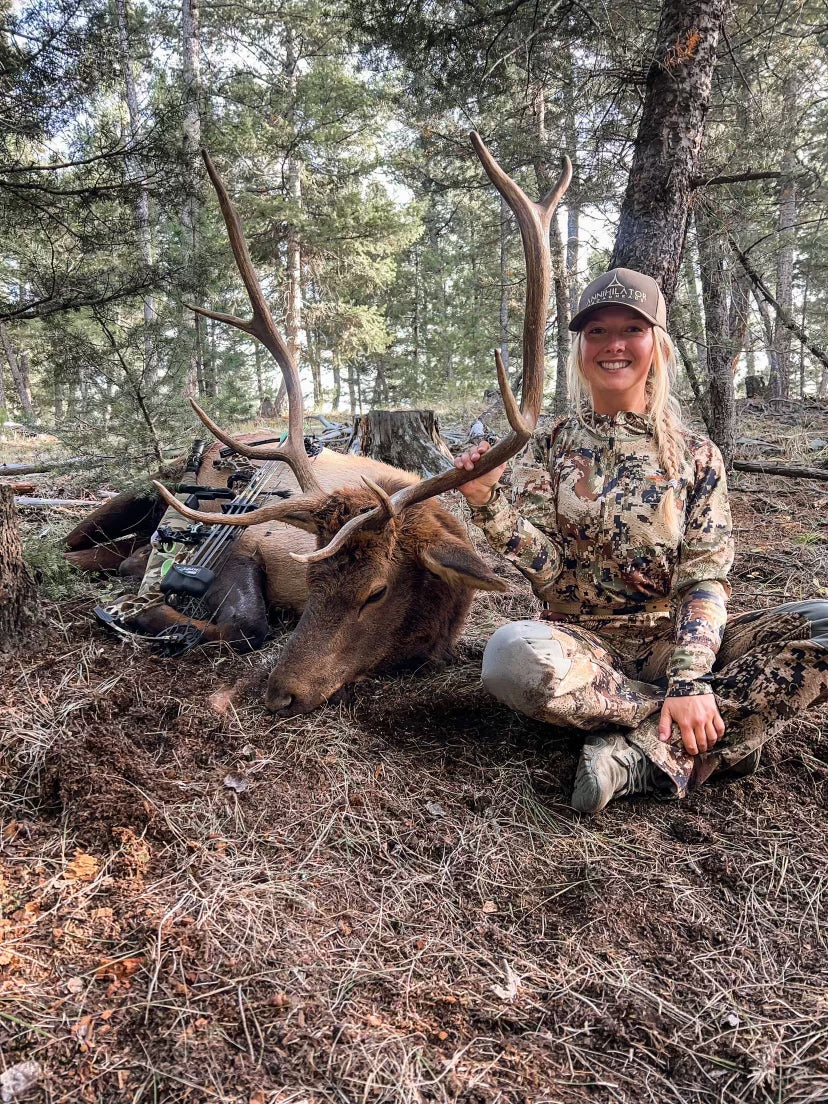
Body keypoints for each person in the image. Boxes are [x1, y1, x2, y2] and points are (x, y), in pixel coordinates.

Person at [457, 267, 828, 814]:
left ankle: (650, 752)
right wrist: (487, 501)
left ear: (657, 343)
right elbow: (551, 572)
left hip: (679, 642)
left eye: (631, 328)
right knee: (509, 658)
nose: (614, 345)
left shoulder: (697, 455)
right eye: (597, 332)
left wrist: (689, 676)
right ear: (581, 348)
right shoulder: (551, 445)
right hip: (585, 648)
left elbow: (704, 580)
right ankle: (714, 734)